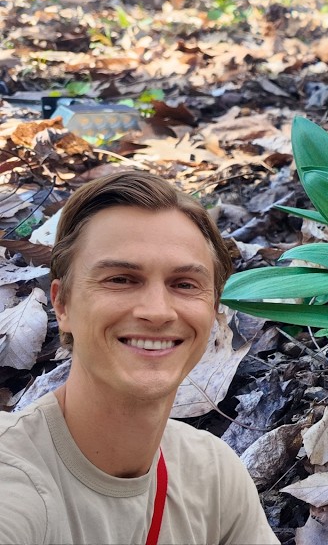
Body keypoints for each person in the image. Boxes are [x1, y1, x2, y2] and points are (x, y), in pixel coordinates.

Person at [0, 171, 278, 545]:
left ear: (213, 310)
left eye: (184, 285)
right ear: (62, 303)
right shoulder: (14, 477)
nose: (158, 312)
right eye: (120, 279)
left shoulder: (211, 472)